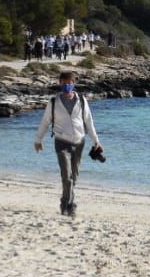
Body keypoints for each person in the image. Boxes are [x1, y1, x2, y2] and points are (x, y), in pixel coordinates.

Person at [32, 71, 103, 217]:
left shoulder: (82, 101)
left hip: (79, 142)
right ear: (60, 83)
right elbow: (45, 122)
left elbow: (89, 122)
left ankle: (67, 202)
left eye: (70, 83)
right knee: (67, 176)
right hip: (61, 142)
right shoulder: (53, 102)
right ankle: (68, 205)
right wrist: (38, 140)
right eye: (64, 83)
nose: (67, 85)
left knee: (74, 176)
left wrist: (96, 141)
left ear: (74, 83)